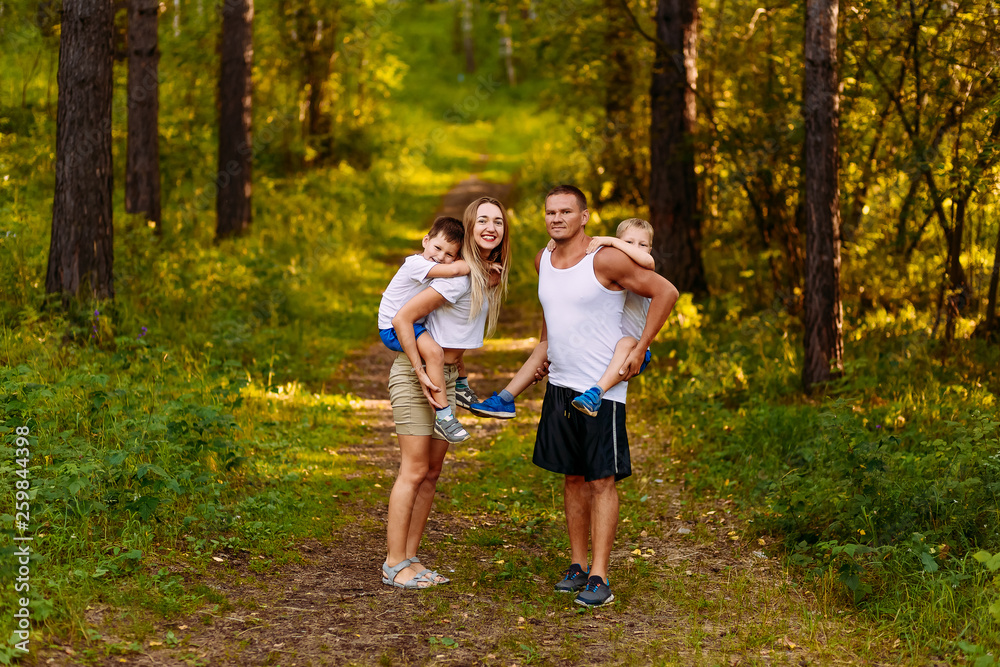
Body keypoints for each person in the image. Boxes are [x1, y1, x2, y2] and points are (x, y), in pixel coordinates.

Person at [504, 185, 677, 607]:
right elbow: (553, 309)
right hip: (562, 385)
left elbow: (666, 291)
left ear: (584, 217)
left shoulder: (607, 258)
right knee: (573, 476)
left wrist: (640, 347)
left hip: (603, 389)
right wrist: (545, 351)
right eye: (550, 212)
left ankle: (600, 577)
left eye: (566, 211)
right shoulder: (543, 259)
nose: (556, 218)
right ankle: (577, 565)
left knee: (601, 480)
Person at [381, 196, 511, 590]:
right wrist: (421, 371)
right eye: (482, 221)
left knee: (432, 473)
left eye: (498, 222)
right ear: (470, 228)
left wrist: (459, 377)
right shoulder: (457, 275)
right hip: (417, 372)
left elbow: (455, 335)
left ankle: (411, 558)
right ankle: (393, 563)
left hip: (447, 375)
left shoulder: (482, 275)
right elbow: (404, 317)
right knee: (415, 469)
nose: (491, 227)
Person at [469, 217, 656, 420]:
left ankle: (596, 394)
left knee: (626, 342)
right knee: (544, 346)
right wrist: (561, 246)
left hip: (635, 351)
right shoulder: (613, 266)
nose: (635, 248)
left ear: (650, 249)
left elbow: (649, 261)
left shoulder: (644, 269)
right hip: (600, 344)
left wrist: (612, 241)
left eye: (642, 244)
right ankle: (505, 399)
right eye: (629, 242)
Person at [377, 216, 479, 443]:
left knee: (449, 336)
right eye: (437, 248)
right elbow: (455, 271)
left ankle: (461, 384)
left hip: (414, 322)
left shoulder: (434, 264)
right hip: (393, 327)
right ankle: (444, 416)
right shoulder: (415, 264)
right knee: (434, 352)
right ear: (425, 241)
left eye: (449, 254)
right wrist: (478, 264)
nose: (441, 257)